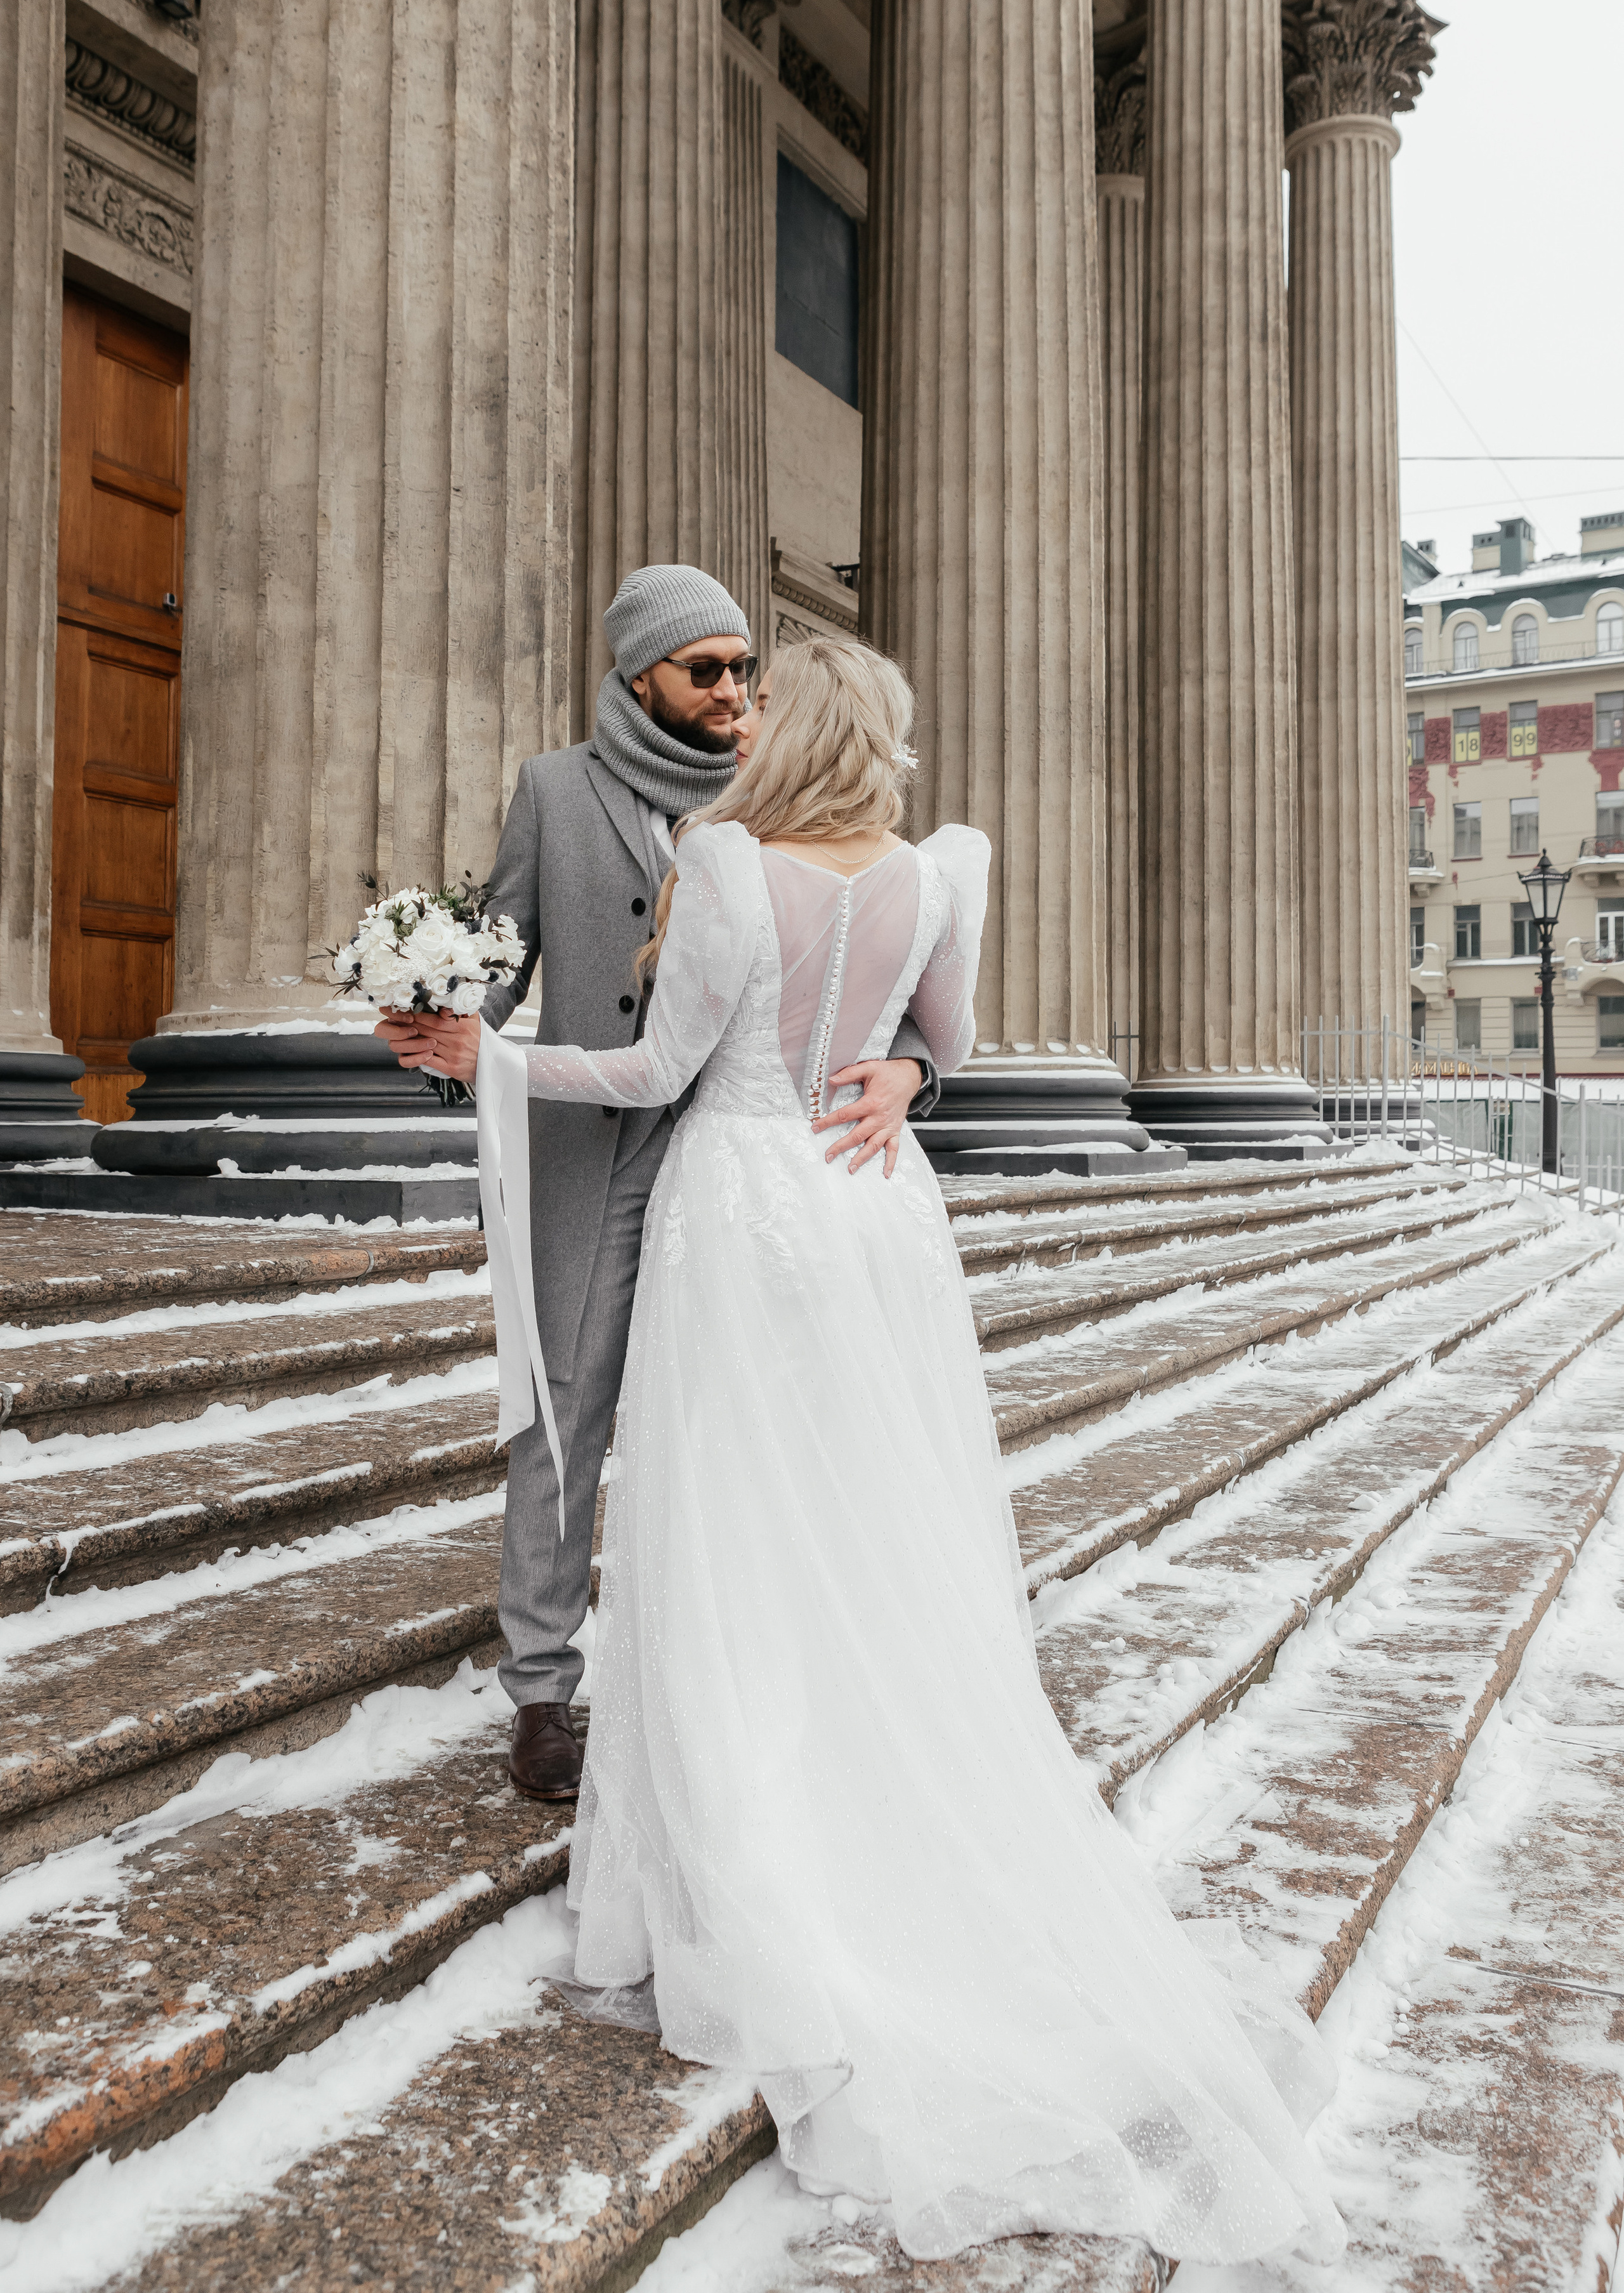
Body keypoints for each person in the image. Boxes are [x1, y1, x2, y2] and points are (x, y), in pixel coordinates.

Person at [380, 638, 1346, 2270]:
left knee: (735, 1526)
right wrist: (899, 1066)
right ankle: (872, 1780)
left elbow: (652, 1074)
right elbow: (937, 1042)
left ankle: (753, 1837)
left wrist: (493, 1063)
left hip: (743, 1213)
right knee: (865, 1519)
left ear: (788, 733)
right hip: (875, 1217)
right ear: (880, 741)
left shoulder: (722, 865)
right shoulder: (930, 873)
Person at [381, 568, 937, 1806]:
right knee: (558, 1426)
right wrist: (442, 1030)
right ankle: (539, 1695)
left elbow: (886, 968)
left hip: (727, 1169)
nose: (735, 693)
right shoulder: (553, 791)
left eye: (745, 670)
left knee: (723, 1431)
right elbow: (502, 958)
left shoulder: (779, 790)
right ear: (640, 675)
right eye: (709, 671)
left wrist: (910, 1070)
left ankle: (720, 1694)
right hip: (584, 1162)